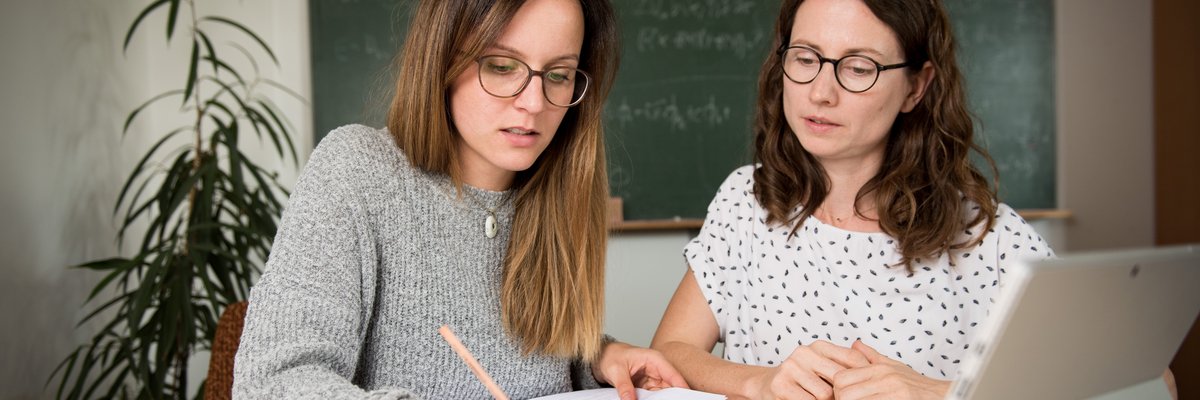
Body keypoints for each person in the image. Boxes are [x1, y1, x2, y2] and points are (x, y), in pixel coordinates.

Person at [233, 0, 685, 399]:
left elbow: (529, 360)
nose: (534, 103)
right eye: (502, 66)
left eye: (559, 75)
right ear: (443, 59)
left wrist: (600, 357)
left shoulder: (554, 193)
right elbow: (272, 382)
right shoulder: (357, 171)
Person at [649, 0, 1057, 399]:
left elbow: (1085, 382)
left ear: (916, 87)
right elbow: (668, 352)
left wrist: (941, 393)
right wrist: (758, 383)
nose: (821, 93)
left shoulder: (992, 238)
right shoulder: (746, 201)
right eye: (806, 59)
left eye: (860, 68)